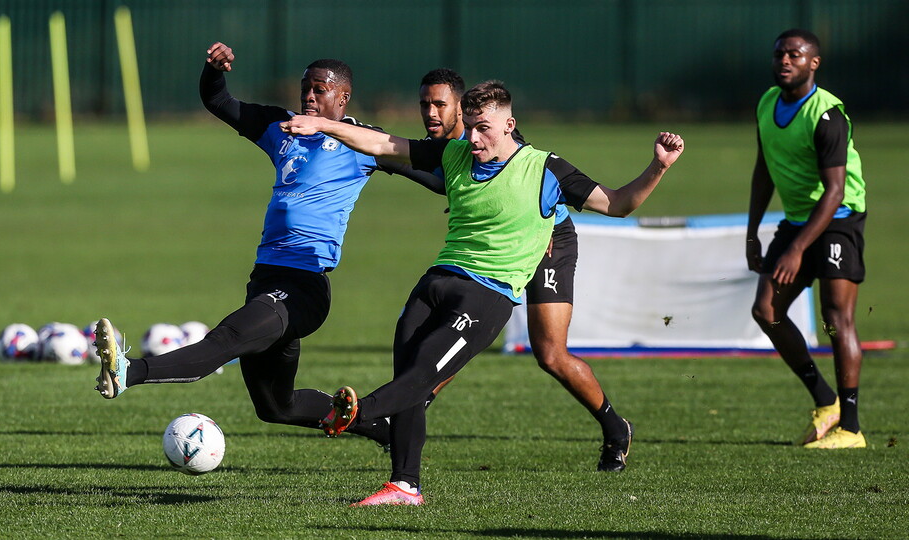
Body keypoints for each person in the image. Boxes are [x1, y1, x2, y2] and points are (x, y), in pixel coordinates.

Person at [283, 80, 684, 505]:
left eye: (482, 128)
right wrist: (323, 125)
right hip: (450, 273)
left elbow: (619, 204)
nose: (472, 137)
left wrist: (658, 166)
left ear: (509, 125)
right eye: (468, 126)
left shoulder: (544, 169)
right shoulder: (455, 152)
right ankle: (402, 478)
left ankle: (614, 427)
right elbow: (383, 144)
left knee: (549, 354)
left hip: (543, 247)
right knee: (419, 368)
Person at [92, 42, 425, 446]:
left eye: (319, 90)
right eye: (305, 89)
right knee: (275, 406)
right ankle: (381, 428)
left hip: (304, 286)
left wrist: (464, 189)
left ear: (343, 97)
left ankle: (129, 372)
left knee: (227, 339)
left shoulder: (365, 141)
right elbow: (219, 101)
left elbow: (433, 171)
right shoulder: (281, 127)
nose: (309, 96)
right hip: (265, 278)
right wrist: (215, 70)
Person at [413, 68, 635, 472]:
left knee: (550, 354)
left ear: (460, 109)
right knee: (457, 335)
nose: (431, 113)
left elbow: (529, 178)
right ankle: (407, 410)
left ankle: (615, 427)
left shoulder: (486, 133)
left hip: (549, 241)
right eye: (425, 104)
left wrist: (537, 227)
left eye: (440, 105)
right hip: (496, 249)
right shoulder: (447, 148)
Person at [747, 29, 868, 449]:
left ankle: (851, 428)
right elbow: (764, 169)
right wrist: (752, 232)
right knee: (766, 310)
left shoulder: (826, 115)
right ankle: (825, 400)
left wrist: (797, 250)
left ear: (813, 63)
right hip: (797, 220)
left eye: (795, 55)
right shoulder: (767, 103)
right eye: (779, 54)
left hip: (839, 218)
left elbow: (834, 191)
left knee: (836, 318)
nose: (785, 61)